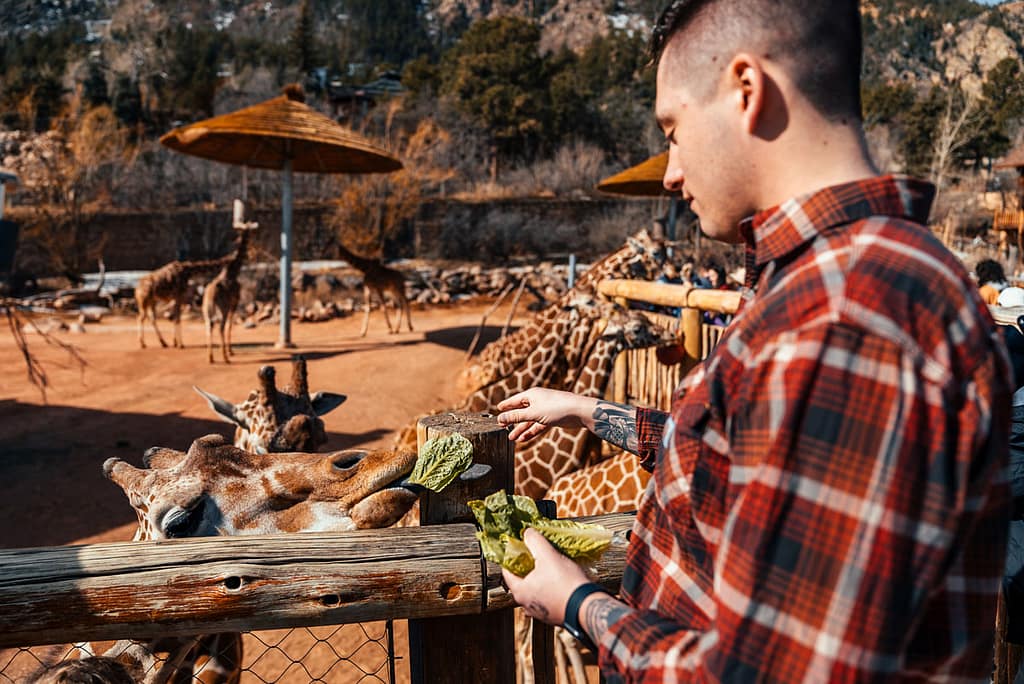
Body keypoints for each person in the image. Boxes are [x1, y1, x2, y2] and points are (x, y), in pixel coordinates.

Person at [496, 1, 1013, 680]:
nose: (671, 171)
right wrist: (588, 410)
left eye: (673, 130)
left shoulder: (845, 316)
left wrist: (578, 603)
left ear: (747, 88)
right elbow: (738, 455)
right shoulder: (835, 287)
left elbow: (772, 673)